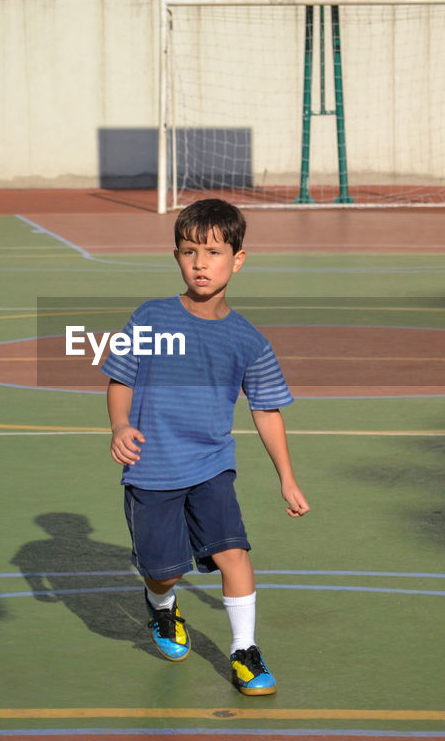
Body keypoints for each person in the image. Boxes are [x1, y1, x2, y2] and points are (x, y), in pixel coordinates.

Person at [101, 198, 309, 696]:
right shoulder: (150, 318)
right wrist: (119, 426)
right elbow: (119, 377)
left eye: (213, 252)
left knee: (233, 551)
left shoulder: (248, 340)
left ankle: (244, 651)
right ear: (176, 256)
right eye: (189, 251)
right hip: (152, 468)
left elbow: (266, 410)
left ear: (237, 259)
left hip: (212, 465)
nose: (200, 263)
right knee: (162, 573)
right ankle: (161, 607)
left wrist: (287, 476)